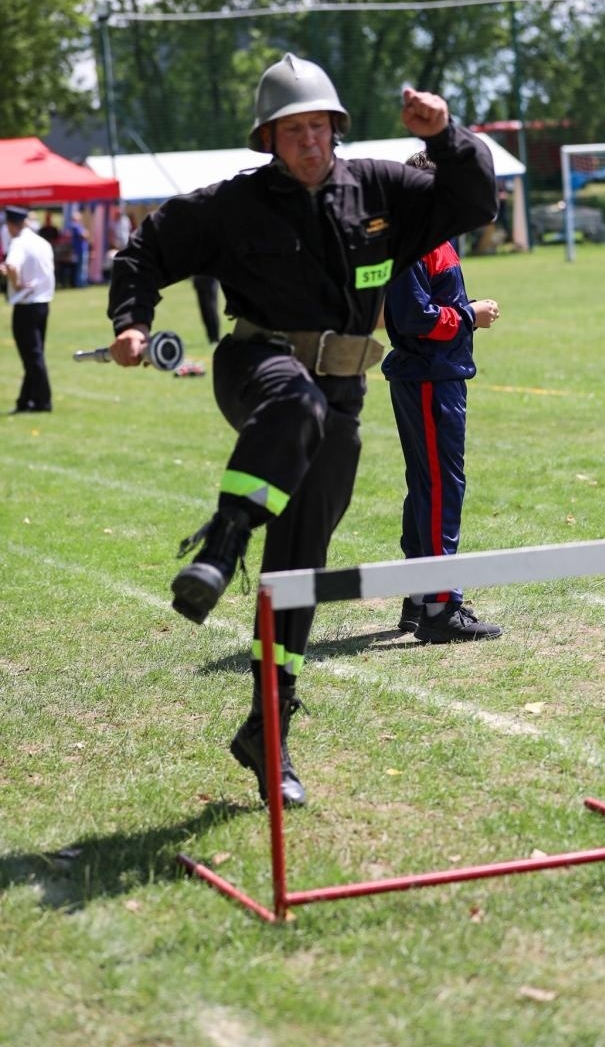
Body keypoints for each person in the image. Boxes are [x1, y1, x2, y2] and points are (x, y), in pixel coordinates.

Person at [106, 52, 497, 809]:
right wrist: (132, 322)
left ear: (336, 129)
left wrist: (446, 135)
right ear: (269, 138)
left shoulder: (383, 190)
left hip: (341, 397)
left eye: (319, 126)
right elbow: (147, 249)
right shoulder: (234, 203)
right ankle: (221, 545)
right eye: (293, 130)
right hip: (258, 367)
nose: (309, 141)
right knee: (298, 407)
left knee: (297, 575)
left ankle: (269, 731)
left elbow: (471, 200)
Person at [382, 150, 503, 645]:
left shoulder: (437, 234)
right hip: (428, 376)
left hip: (440, 374)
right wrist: (470, 315)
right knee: (439, 487)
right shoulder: (412, 238)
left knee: (429, 485)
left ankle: (420, 597)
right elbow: (414, 317)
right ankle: (439, 605)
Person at [0, 206, 55, 413]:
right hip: (43, 302)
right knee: (34, 354)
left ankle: (42, 400)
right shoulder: (41, 242)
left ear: (12, 225)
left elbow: (13, 266)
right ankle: (25, 401)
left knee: (32, 356)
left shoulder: (18, 243)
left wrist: (17, 282)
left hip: (26, 304)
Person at [192, 275, 221, 343]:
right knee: (204, 311)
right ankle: (210, 338)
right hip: (199, 280)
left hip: (210, 280)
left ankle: (215, 337)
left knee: (210, 309)